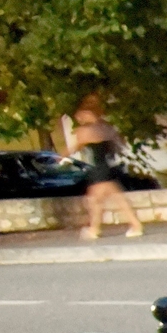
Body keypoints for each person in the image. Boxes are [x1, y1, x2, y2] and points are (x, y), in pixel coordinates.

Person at [62, 94, 142, 239]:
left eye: (81, 115)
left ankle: (99, 229)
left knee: (99, 201)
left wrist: (61, 156)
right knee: (104, 200)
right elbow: (119, 144)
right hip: (108, 166)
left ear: (88, 113)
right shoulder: (106, 128)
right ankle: (99, 228)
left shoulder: (85, 131)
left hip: (98, 169)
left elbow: (76, 147)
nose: (79, 118)